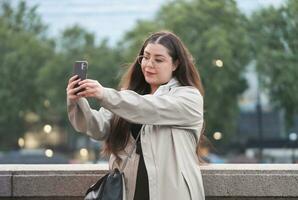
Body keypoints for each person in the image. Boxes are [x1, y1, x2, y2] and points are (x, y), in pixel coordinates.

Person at [66, 31, 205, 200]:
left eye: (158, 60)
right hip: (128, 193)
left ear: (175, 64)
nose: (149, 64)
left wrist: (104, 94)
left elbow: (150, 108)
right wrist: (77, 101)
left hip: (171, 193)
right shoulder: (126, 97)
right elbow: (97, 128)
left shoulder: (189, 98)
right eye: (145, 57)